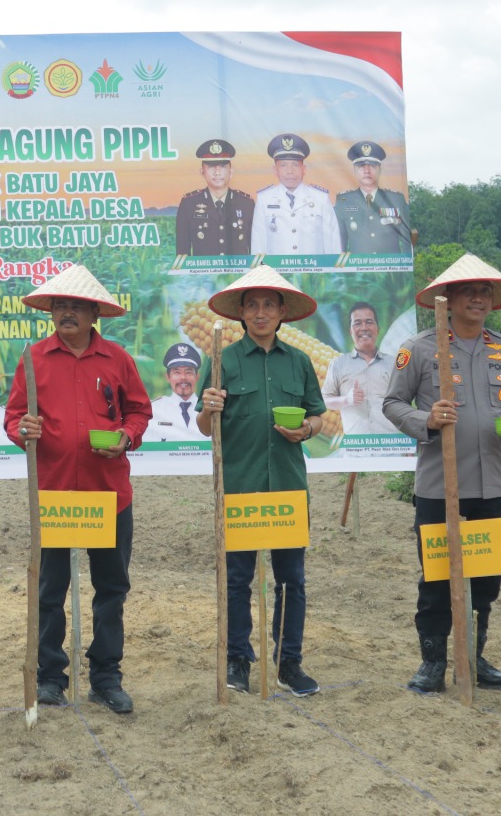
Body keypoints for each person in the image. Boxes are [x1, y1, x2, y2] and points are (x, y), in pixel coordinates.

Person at [4, 265, 153, 714]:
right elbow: (14, 416)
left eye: (76, 306)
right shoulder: (33, 359)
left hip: (108, 493)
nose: (66, 313)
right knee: (50, 590)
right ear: (51, 312)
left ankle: (106, 677)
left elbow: (139, 412)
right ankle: (51, 677)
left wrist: (126, 436)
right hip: (53, 494)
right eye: (60, 306)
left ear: (94, 314)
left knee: (111, 588)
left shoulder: (117, 359)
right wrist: (22, 429)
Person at [382, 254, 501, 694]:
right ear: (447, 299)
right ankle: (432, 662)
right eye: (469, 291)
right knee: (437, 577)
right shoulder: (419, 348)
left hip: (494, 484)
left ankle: (474, 657)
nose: (478, 299)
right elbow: (392, 403)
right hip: (439, 486)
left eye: (485, 292)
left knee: (486, 578)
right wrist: (426, 419)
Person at [196, 265, 327, 697]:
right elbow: (204, 427)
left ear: (282, 312)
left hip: (287, 487)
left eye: (269, 305)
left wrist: (305, 430)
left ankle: (289, 662)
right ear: (240, 313)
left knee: (292, 580)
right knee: (237, 580)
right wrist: (209, 408)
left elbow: (317, 416)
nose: (260, 312)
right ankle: (237, 660)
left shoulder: (300, 362)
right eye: (251, 305)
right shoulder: (223, 361)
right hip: (240, 487)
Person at [250, 133, 341, 256]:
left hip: (314, 268)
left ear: (304, 169)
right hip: (276, 268)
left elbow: (333, 245)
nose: (290, 171)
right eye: (283, 165)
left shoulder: (321, 198)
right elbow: (258, 247)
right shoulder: (264, 199)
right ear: (275, 170)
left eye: (295, 165)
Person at [321, 302, 395, 435]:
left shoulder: (393, 364)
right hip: (355, 446)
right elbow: (325, 401)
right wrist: (346, 400)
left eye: (369, 322)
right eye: (357, 323)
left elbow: (405, 402)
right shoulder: (338, 364)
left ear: (378, 329)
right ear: (350, 331)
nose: (364, 328)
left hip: (391, 444)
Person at [175, 139, 255, 256]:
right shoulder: (189, 204)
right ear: (202, 172)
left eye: (222, 166)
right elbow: (182, 253)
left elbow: (256, 251)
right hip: (203, 269)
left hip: (238, 269)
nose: (217, 172)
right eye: (211, 167)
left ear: (231, 172)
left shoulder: (246, 204)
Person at [333, 141, 411, 255]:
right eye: (361, 166)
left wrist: (406, 263)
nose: (367, 171)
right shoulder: (343, 201)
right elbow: (339, 243)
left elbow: (406, 240)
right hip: (359, 266)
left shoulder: (396, 199)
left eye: (372, 166)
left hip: (390, 265)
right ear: (354, 170)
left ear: (380, 169)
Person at [148, 342, 203, 442]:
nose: (183, 377)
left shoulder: (207, 409)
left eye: (188, 372)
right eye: (177, 372)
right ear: (168, 377)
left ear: (197, 377)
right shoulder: (153, 409)